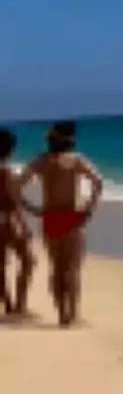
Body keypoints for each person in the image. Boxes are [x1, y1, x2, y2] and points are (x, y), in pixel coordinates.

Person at [17, 121, 103, 327]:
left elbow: (17, 185)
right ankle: (73, 315)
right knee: (72, 269)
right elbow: (98, 181)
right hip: (73, 217)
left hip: (51, 217)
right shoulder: (76, 160)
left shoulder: (41, 161)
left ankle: (62, 315)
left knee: (56, 268)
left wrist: (31, 208)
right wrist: (89, 209)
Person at [0, 129, 34, 315]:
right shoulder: (6, 172)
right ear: (10, 150)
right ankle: (20, 305)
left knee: (0, 264)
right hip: (8, 220)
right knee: (28, 261)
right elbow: (12, 200)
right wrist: (23, 223)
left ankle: (8, 304)